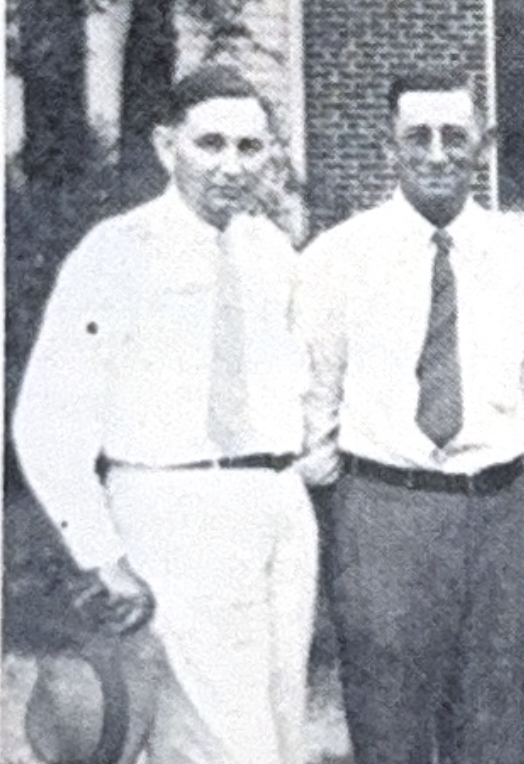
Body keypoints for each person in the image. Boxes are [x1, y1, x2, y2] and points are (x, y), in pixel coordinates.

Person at [12, 65, 316, 764]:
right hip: (173, 506)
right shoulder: (117, 251)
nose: (231, 166)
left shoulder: (272, 253)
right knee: (219, 743)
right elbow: (47, 422)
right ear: (164, 146)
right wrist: (102, 555)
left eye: (251, 148)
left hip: (276, 505)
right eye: (210, 144)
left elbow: (292, 382)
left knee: (280, 726)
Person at [295, 69, 524, 764]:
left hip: (499, 515)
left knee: (497, 730)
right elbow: (315, 397)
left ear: (483, 146)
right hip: (384, 513)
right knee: (389, 729)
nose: (437, 153)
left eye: (455, 136)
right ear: (389, 147)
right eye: (418, 136)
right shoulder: (337, 258)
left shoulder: (523, 258)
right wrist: (340, 510)